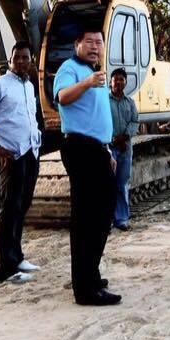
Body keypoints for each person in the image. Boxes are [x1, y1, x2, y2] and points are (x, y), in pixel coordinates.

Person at [53, 26, 119, 306]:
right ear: (77, 44)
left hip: (97, 150)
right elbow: (62, 97)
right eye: (89, 41)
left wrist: (107, 149)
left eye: (99, 42)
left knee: (102, 215)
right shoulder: (70, 68)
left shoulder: (95, 73)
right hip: (81, 148)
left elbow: (97, 115)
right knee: (87, 219)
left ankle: (90, 274)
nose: (95, 46)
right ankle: (85, 288)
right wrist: (87, 82)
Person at [0, 40, 45, 284]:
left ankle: (17, 257)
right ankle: (4, 268)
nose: (21, 61)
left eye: (25, 57)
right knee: (10, 207)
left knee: (22, 205)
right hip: (11, 154)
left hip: (30, 151)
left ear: (31, 60)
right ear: (10, 60)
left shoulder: (29, 85)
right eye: (17, 58)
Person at [108, 67, 139, 231]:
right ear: (110, 82)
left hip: (125, 148)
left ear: (125, 82)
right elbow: (102, 120)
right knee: (107, 184)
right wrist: (113, 138)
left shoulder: (130, 103)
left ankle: (121, 219)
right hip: (109, 148)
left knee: (122, 183)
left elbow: (135, 121)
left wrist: (124, 137)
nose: (118, 82)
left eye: (121, 79)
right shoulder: (105, 101)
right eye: (115, 79)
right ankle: (107, 219)